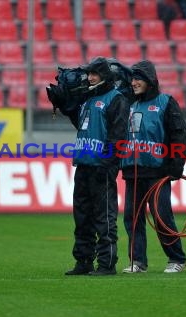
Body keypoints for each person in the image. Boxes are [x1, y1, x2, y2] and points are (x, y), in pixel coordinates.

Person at [62, 57, 129, 276]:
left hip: (102, 167)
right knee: (82, 217)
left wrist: (107, 163)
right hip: (83, 164)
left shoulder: (115, 99)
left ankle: (107, 264)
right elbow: (82, 126)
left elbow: (118, 135)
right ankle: (83, 261)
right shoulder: (87, 99)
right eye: (89, 73)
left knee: (104, 217)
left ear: (105, 76)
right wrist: (65, 105)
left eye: (95, 74)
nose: (90, 77)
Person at [120, 60, 186, 274]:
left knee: (161, 216)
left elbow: (178, 134)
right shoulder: (127, 103)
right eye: (132, 78)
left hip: (157, 171)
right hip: (132, 170)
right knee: (132, 217)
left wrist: (176, 165)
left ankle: (176, 258)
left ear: (150, 80)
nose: (134, 82)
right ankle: (138, 261)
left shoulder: (165, 102)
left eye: (138, 78)